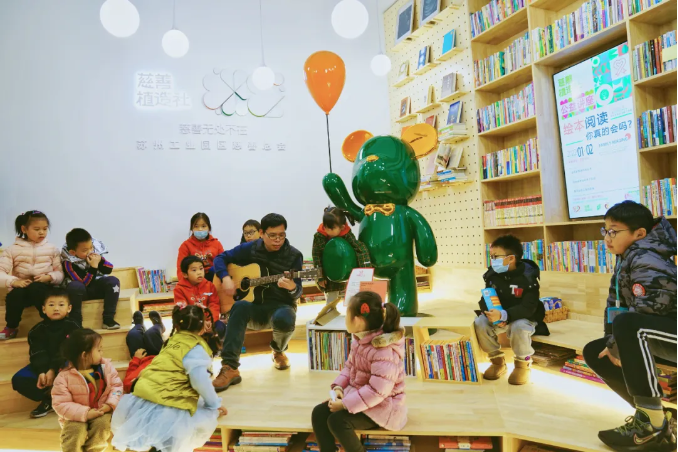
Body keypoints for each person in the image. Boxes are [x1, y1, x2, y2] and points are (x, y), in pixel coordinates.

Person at [582, 201, 676, 452]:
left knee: (628, 324)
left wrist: (618, 343)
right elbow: (615, 305)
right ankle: (657, 418)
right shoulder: (626, 258)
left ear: (639, 233)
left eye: (614, 231)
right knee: (596, 351)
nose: (607, 237)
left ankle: (651, 425)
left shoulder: (647, 257)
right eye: (605, 231)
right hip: (654, 333)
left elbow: (652, 308)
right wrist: (611, 342)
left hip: (671, 331)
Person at [111, 306, 227, 452]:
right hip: (168, 403)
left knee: (158, 438)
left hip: (143, 396)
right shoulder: (196, 349)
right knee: (174, 437)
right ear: (203, 327)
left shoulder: (171, 341)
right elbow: (200, 382)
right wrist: (214, 404)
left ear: (177, 325)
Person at [212, 213, 302, 392]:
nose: (278, 240)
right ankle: (230, 367)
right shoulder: (250, 248)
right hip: (254, 306)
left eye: (282, 235)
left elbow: (298, 291)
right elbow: (220, 258)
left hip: (281, 306)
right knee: (239, 306)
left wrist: (292, 287)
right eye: (272, 235)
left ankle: (278, 350)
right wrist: (225, 277)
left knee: (286, 317)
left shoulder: (293, 255)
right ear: (261, 233)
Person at [311, 291, 406, 452]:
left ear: (358, 320)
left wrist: (345, 404)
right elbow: (350, 367)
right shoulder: (360, 340)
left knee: (337, 421)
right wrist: (339, 388)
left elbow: (377, 391)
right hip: (360, 399)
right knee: (319, 413)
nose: (345, 319)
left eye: (347, 314)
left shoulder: (383, 351)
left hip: (383, 408)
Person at [473, 234, 547, 385]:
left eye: (496, 257)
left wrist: (505, 315)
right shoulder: (492, 275)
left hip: (522, 317)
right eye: (491, 256)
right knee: (480, 322)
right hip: (499, 316)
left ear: (511, 258)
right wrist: (492, 315)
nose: (492, 260)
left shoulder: (528, 278)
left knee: (519, 326)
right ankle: (497, 361)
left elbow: (528, 307)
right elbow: (485, 298)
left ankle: (523, 364)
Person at [11, 287, 80, 418]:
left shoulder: (73, 327)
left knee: (74, 367)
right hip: (44, 365)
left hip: (65, 364)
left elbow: (68, 351)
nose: (56, 308)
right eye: (51, 305)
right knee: (18, 379)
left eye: (61, 305)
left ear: (69, 308)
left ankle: (68, 398)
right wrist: (42, 371)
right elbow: (37, 353)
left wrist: (53, 369)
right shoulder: (36, 330)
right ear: (43, 309)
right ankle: (50, 399)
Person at [52, 328, 124, 452]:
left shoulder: (106, 368)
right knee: (75, 431)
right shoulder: (63, 377)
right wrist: (86, 413)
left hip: (101, 411)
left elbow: (117, 387)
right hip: (75, 416)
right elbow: (61, 404)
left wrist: (110, 404)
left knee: (102, 426)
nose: (102, 352)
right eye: (99, 350)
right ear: (84, 355)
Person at [0, 211, 64, 340]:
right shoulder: (12, 249)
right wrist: (14, 281)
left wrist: (49, 277)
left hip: (44, 289)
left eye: (45, 229)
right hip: (23, 289)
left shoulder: (52, 249)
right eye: (37, 229)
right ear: (24, 229)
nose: (42, 232)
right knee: (15, 295)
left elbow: (60, 273)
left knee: (37, 288)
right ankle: (11, 327)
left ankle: (51, 324)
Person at [61, 228, 120, 329]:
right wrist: (93, 267)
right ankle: (76, 324)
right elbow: (83, 283)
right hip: (80, 292)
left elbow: (108, 269)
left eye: (91, 247)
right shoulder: (68, 263)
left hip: (95, 288)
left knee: (113, 281)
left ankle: (108, 319)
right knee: (75, 286)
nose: (90, 252)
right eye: (85, 250)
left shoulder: (94, 255)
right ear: (73, 252)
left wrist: (100, 261)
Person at [312, 207, 371, 304]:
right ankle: (330, 312)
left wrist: (365, 272)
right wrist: (320, 277)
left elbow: (360, 249)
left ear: (342, 227)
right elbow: (316, 257)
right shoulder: (319, 236)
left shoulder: (347, 235)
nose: (328, 231)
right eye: (325, 227)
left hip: (346, 270)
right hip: (328, 272)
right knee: (331, 298)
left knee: (353, 299)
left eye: (332, 228)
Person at [177, 213, 224, 282]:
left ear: (209, 228)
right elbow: (181, 268)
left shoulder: (217, 244)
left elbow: (223, 263)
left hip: (213, 279)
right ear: (192, 229)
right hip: (194, 279)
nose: (200, 229)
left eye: (203, 226)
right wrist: (185, 285)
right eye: (196, 226)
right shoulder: (185, 245)